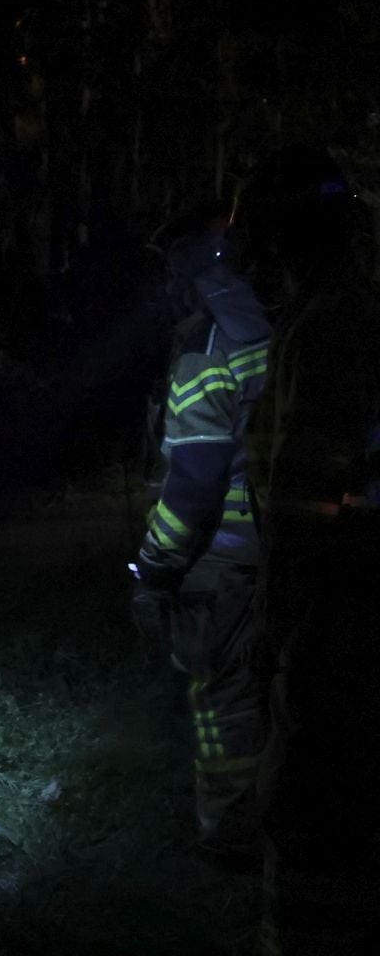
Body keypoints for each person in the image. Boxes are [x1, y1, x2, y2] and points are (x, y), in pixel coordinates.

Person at [237, 148, 380, 955]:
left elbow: (305, 501)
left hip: (340, 622)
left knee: (313, 805)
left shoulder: (326, 328)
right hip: (345, 608)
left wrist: (275, 623)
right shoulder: (341, 315)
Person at [129, 206, 272, 863]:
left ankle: (230, 841)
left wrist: (155, 564)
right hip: (282, 551)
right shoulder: (274, 326)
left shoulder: (206, 346)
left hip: (222, 563)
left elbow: (193, 483)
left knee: (221, 704)